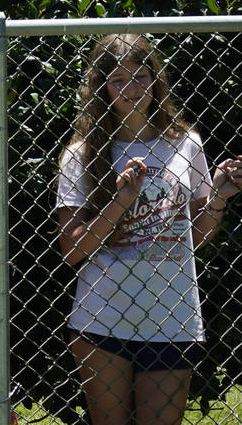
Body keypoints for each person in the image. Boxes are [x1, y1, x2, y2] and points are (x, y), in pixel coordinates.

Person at [56, 33, 242, 425]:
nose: (131, 88)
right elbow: (72, 251)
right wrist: (122, 200)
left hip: (172, 316)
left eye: (141, 76)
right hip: (102, 316)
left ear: (157, 80)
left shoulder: (185, 143)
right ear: (100, 87)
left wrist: (220, 198)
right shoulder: (81, 154)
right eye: (118, 80)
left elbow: (197, 236)